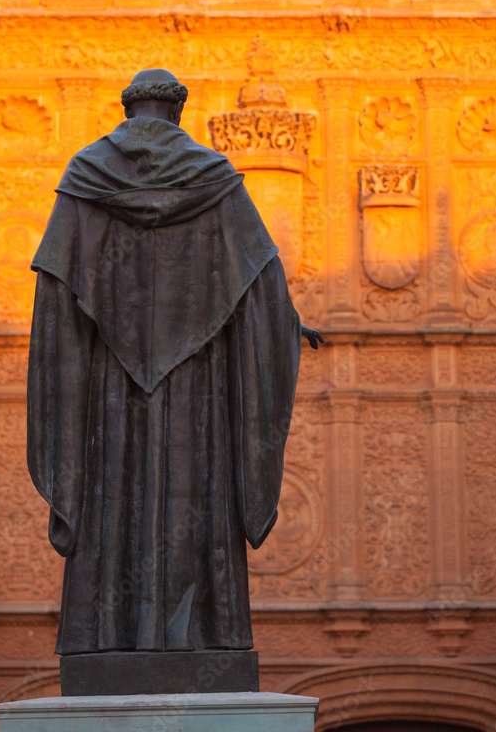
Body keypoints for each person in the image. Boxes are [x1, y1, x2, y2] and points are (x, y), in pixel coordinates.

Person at [27, 67, 323, 656]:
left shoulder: (85, 177)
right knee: (195, 496)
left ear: (127, 111)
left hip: (112, 387)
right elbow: (261, 274)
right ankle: (202, 638)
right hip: (199, 385)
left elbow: (57, 288)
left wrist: (67, 364)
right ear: (176, 114)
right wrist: (287, 326)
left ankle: (108, 639)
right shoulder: (213, 179)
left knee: (116, 493)